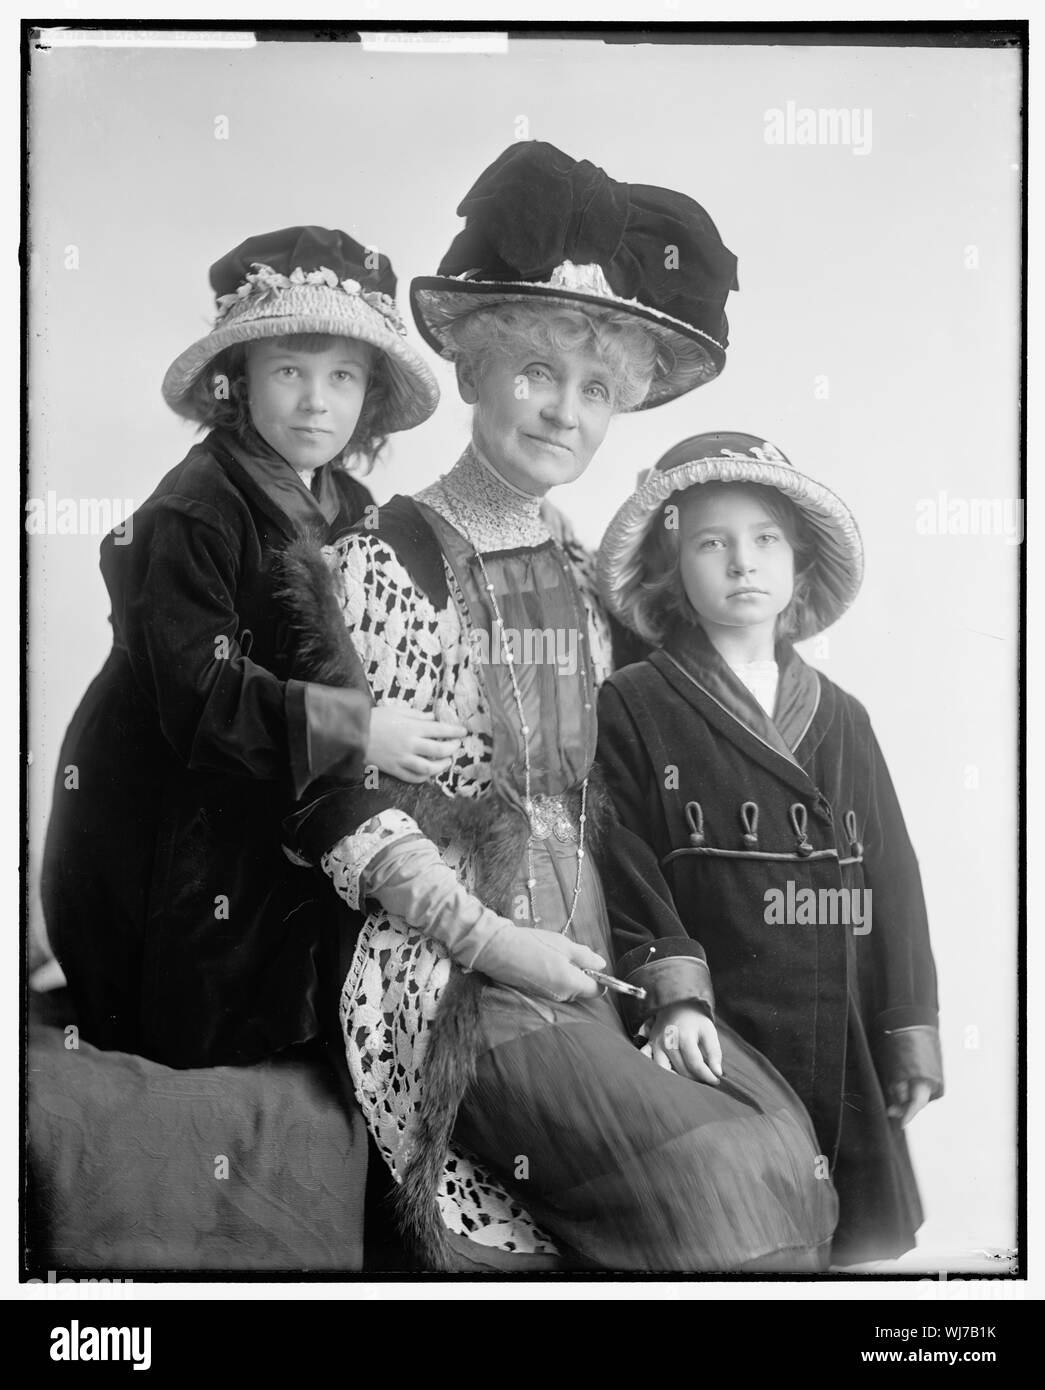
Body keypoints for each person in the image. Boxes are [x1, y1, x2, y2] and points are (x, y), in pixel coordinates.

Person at [288, 143, 838, 1272]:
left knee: (787, 1153)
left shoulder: (594, 577)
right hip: (456, 972)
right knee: (713, 1190)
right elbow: (342, 808)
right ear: (478, 370)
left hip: (598, 955)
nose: (562, 413)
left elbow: (631, 795)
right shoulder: (386, 558)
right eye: (535, 372)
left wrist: (665, 975)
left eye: (594, 391)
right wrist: (500, 945)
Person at [41, 225, 467, 1068]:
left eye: (342, 376)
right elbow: (202, 696)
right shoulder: (194, 512)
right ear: (237, 384)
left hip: (264, 785)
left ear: (368, 393)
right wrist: (359, 730)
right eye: (289, 372)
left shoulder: (346, 501)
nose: (317, 402)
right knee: (202, 1025)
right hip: (157, 809)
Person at [595, 431, 944, 1266]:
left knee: (839, 1244)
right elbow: (620, 858)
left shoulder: (843, 715)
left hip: (842, 1026)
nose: (741, 563)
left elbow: (892, 879)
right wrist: (674, 994)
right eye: (711, 543)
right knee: (743, 1236)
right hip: (722, 1030)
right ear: (673, 566)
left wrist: (908, 1027)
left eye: (764, 541)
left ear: (796, 564)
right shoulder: (635, 702)